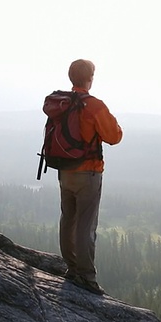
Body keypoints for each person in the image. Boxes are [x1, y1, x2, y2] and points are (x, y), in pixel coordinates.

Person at [58, 59, 123, 295]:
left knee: (68, 219)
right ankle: (86, 277)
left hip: (64, 170)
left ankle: (72, 268)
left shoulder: (62, 103)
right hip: (88, 172)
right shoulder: (93, 106)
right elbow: (114, 136)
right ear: (89, 78)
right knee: (86, 226)